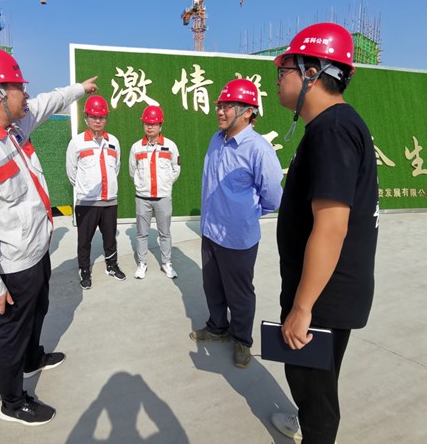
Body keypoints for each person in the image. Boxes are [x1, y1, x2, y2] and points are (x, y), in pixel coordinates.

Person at [0, 47, 98, 427]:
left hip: (35, 250)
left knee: (39, 309)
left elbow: (46, 103)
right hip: (11, 264)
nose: (26, 95)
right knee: (12, 330)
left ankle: (32, 359)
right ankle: (12, 402)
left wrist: (80, 89)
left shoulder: (12, 128)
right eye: (19, 88)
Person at [271, 22, 379, 444]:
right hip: (328, 291)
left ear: (312, 73)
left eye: (285, 70)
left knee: (315, 394)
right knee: (315, 385)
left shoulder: (332, 130)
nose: (279, 79)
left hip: (322, 298)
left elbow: (332, 226)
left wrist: (302, 308)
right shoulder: (334, 125)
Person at [190, 78, 283, 368]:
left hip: (238, 237)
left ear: (247, 112)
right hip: (211, 232)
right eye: (219, 105)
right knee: (212, 286)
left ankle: (242, 341)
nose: (220, 111)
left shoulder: (258, 149)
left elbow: (273, 196)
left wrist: (246, 215)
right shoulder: (216, 140)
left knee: (240, 294)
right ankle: (217, 327)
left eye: (228, 106)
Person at [66, 95, 125, 290]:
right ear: (86, 118)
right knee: (84, 240)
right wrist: (85, 188)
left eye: (101, 117)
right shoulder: (77, 143)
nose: (98, 121)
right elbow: (71, 172)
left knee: (110, 238)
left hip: (109, 201)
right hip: (87, 202)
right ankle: (84, 270)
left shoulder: (113, 141)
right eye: (93, 117)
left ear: (106, 119)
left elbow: (116, 168)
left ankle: (112, 265)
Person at [128, 105, 181, 279]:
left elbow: (176, 168)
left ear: (160, 125)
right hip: (142, 198)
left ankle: (166, 263)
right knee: (141, 233)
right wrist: (141, 185)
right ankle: (142, 264)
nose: (150, 127)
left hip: (163, 197)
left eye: (154, 123)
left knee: (164, 233)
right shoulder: (136, 147)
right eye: (147, 123)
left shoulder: (170, 146)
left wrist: (165, 183)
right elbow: (132, 170)